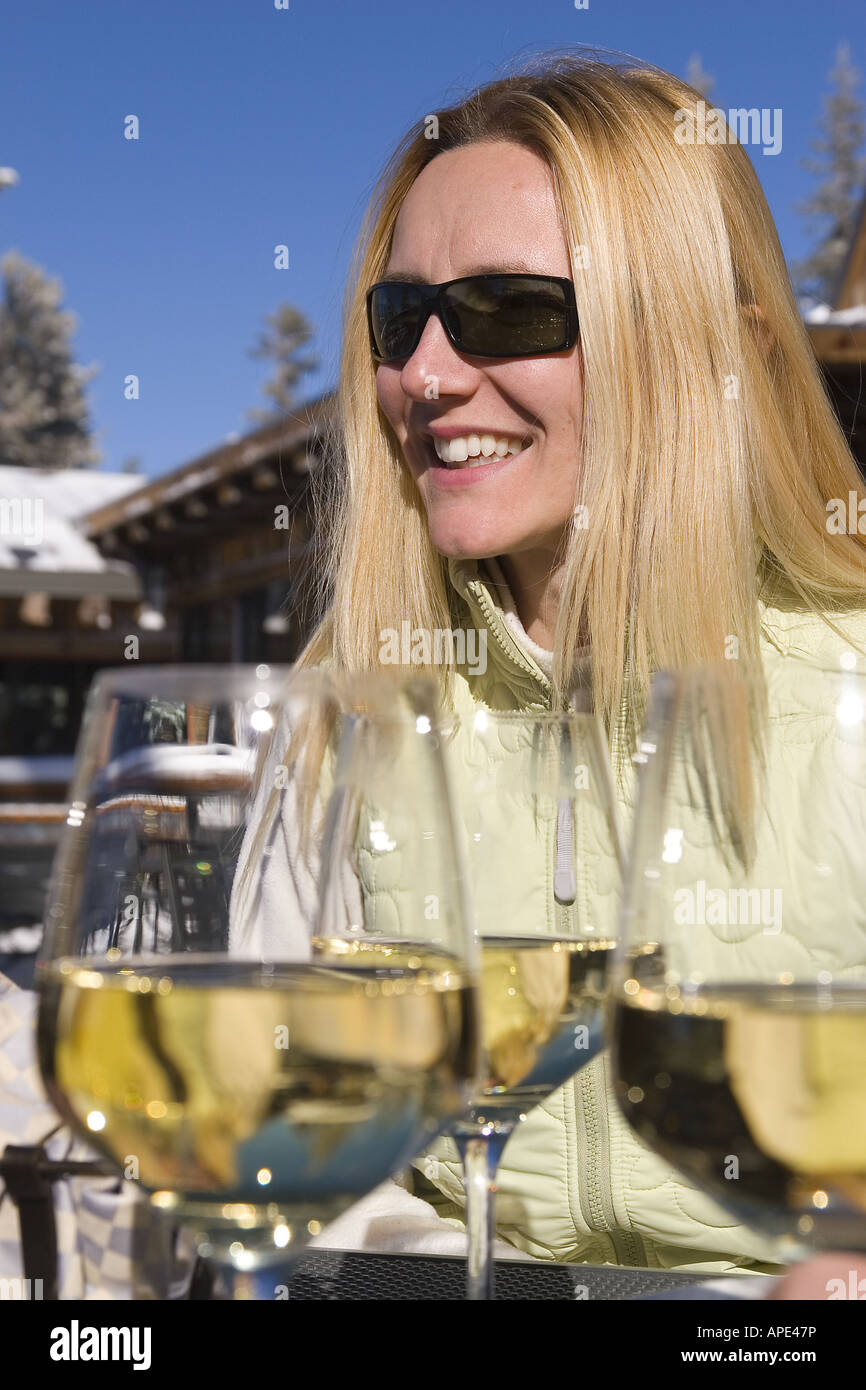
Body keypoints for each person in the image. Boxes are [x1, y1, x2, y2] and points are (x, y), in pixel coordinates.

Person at [238, 46, 866, 1282]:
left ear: (710, 349)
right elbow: (286, 1145)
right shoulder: (342, 717)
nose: (422, 376)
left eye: (509, 308)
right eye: (398, 317)